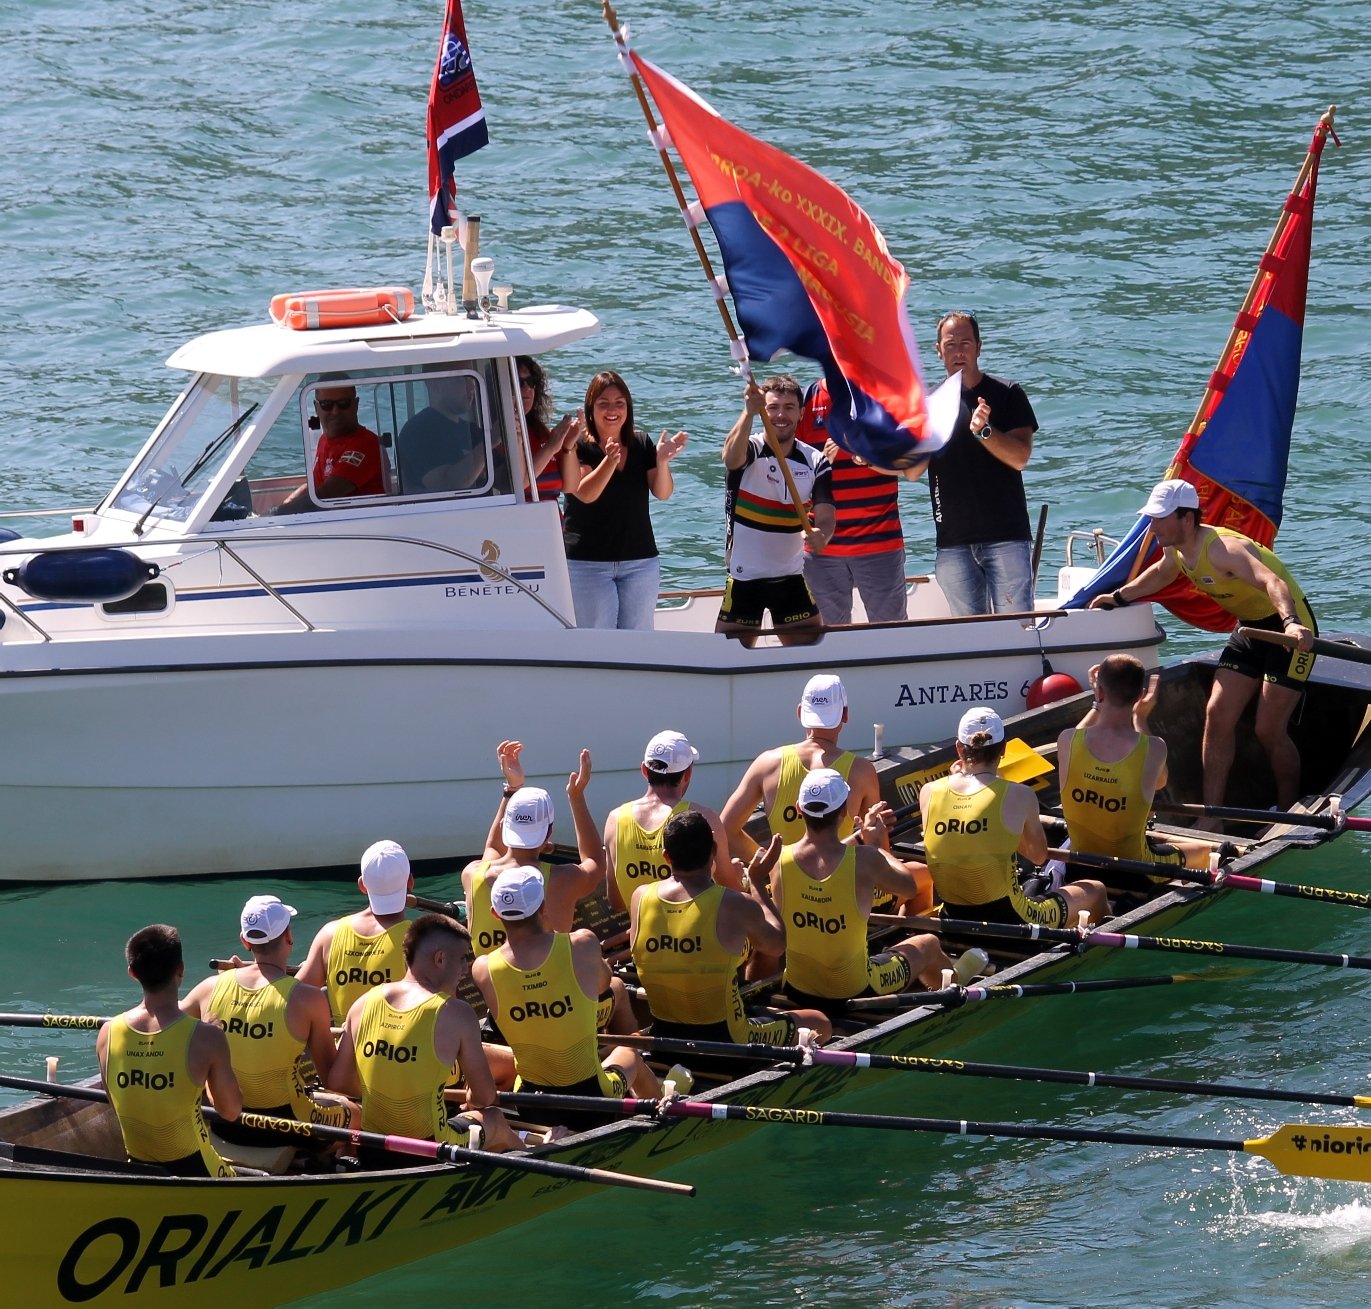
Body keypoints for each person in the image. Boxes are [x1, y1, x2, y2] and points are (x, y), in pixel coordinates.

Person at [1091, 478, 1316, 813]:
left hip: (1288, 631)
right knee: (1216, 714)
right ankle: (1213, 815)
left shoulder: (1223, 549)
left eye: (1160, 517)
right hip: (1250, 630)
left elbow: (1272, 581)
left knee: (1267, 729)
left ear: (1187, 518)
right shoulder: (1176, 547)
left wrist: (1290, 622)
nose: (1152, 525)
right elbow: (1164, 573)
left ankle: (1288, 812)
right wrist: (1118, 597)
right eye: (1151, 516)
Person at [471, 867, 678, 1105]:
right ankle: (663, 1109)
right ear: (543, 906)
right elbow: (603, 987)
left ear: (495, 913)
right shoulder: (582, 943)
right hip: (592, 1098)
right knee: (629, 1051)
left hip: (530, 1101)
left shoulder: (482, 968)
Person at [631, 811, 833, 1050]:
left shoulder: (640, 897)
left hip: (666, 1036)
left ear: (666, 856)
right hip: (728, 1040)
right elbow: (777, 944)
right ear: (714, 851)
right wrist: (756, 882)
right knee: (821, 1022)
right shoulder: (735, 903)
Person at [330, 913, 520, 1162]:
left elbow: (339, 1082)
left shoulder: (363, 1003)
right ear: (440, 958)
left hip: (373, 1147)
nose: (466, 969)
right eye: (463, 958)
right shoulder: (457, 1013)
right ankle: (540, 1154)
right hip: (431, 1150)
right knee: (494, 1117)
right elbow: (484, 1097)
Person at [771, 769, 955, 1022]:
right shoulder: (866, 860)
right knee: (929, 944)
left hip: (797, 988)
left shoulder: (778, 859)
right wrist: (876, 843)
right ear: (845, 810)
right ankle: (958, 1007)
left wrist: (859, 838)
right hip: (856, 992)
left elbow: (822, 855)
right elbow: (908, 887)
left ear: (800, 809)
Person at [181, 894, 356, 1145]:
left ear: (245, 941)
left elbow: (170, 1023)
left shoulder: (208, 988)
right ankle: (336, 1163)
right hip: (288, 1127)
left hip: (225, 1123)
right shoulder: (309, 999)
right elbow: (331, 1080)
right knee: (357, 1115)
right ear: (288, 937)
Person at [921, 707, 1111, 928]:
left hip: (953, 920)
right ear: (1003, 749)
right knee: (1095, 890)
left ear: (958, 749)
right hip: (1013, 922)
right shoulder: (1020, 794)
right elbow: (1039, 857)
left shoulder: (928, 792)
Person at [97, 924, 241, 1177]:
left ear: (132, 972)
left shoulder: (107, 1033)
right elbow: (230, 1112)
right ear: (181, 969)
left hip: (137, 1171)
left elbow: (117, 1103)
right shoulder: (207, 1037)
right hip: (198, 1171)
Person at [925, 312, 1038, 616]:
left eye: (965, 343)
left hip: (1006, 538)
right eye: (950, 344)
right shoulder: (928, 402)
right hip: (951, 542)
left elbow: (1020, 458)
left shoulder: (1007, 394)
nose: (958, 351)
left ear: (978, 347)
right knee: (970, 637)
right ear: (938, 350)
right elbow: (910, 463)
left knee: (1017, 629)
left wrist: (984, 432)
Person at [1057, 655, 1213, 869]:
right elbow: (1160, 783)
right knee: (1204, 851)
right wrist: (1140, 719)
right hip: (1136, 869)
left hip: (1080, 862)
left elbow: (1079, 732)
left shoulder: (1067, 740)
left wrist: (1097, 701)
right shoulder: (1154, 748)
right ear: (1140, 696)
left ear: (1100, 692)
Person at [561, 369, 687, 630]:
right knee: (597, 641)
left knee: (639, 641)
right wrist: (609, 461)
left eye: (619, 403)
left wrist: (662, 461)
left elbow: (663, 492)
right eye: (603, 404)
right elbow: (585, 492)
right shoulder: (578, 446)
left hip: (640, 561)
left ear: (628, 408)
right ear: (591, 408)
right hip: (588, 564)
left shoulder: (641, 442)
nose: (612, 410)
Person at [716, 376, 836, 646]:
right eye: (772, 407)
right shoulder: (751, 448)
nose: (781, 415)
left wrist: (822, 536)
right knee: (727, 657)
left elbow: (826, 516)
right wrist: (748, 412)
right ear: (762, 411)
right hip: (745, 577)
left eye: (789, 407)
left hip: (790, 577)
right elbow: (731, 458)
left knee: (812, 654)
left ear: (801, 413)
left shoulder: (816, 461)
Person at [463, 741, 603, 956]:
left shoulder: (472, 874)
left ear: (504, 827)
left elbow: (492, 847)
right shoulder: (563, 879)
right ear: (548, 834)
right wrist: (576, 797)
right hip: (548, 989)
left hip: (492, 986)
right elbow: (596, 861)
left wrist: (512, 789)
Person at [796, 378, 909, 625]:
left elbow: (911, 465)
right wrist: (821, 461)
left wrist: (870, 457)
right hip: (821, 547)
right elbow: (790, 475)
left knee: (893, 635)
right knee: (828, 640)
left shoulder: (884, 397)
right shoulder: (805, 400)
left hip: (879, 542)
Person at [604, 729, 735, 913]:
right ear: (687, 773)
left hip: (641, 937)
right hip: (692, 937)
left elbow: (616, 902)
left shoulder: (614, 819)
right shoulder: (703, 819)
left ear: (644, 770)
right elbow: (731, 890)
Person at [297, 839, 414, 1024]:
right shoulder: (420, 939)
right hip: (392, 1049)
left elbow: (294, 996)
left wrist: (261, 969)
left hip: (340, 1046)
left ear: (361, 885)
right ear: (410, 882)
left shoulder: (329, 934)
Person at [276, 381, 387, 512]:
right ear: (316, 408)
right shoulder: (324, 440)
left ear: (356, 405)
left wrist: (278, 512)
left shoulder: (367, 444)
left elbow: (328, 493)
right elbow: (315, 486)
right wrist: (287, 503)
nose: (335, 411)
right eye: (326, 405)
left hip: (362, 526)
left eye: (343, 404)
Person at [397, 369, 495, 493]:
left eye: (472, 379)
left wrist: (515, 439)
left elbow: (504, 480)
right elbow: (446, 485)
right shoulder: (416, 432)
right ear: (434, 385)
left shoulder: (472, 430)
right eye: (461, 380)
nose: (471, 387)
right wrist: (490, 442)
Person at [518, 355, 582, 501]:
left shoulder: (540, 432)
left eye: (531, 382)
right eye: (518, 382)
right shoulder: (497, 436)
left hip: (550, 521)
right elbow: (520, 484)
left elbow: (571, 486)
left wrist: (568, 446)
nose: (526, 388)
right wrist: (550, 448)